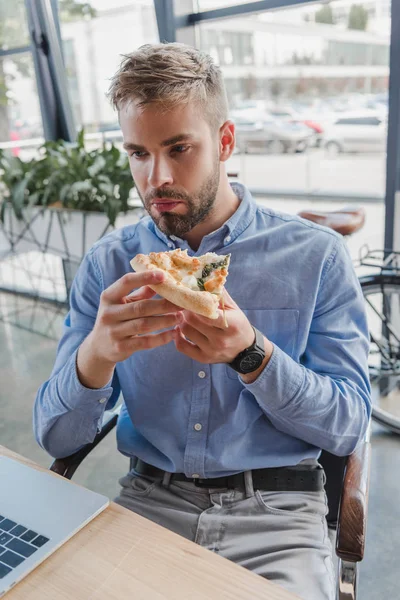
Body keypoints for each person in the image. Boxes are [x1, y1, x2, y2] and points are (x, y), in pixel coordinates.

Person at [34, 43, 371, 600]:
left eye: (178, 148)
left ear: (225, 141)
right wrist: (95, 357)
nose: (157, 178)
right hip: (148, 504)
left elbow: (349, 426)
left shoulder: (316, 257)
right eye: (138, 153)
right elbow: (55, 436)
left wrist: (254, 355)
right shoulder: (110, 265)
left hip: (279, 518)